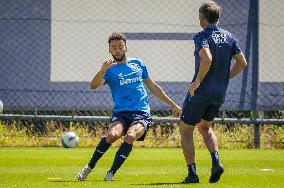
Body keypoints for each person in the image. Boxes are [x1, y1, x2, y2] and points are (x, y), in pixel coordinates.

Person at [77, 32, 182, 181]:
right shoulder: (109, 70)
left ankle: (111, 173)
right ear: (109, 50)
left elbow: (153, 86)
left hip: (141, 113)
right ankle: (89, 167)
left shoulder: (138, 64)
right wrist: (102, 70)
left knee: (131, 136)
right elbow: (93, 85)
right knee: (112, 135)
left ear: (126, 47)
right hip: (121, 113)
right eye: (114, 47)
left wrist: (174, 105)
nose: (117, 50)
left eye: (120, 46)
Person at [179, 1, 247, 184]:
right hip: (219, 92)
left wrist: (197, 81)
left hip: (202, 91)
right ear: (217, 18)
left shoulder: (201, 36)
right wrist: (225, 77)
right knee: (204, 127)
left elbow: (206, 58)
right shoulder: (229, 36)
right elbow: (242, 63)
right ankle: (216, 162)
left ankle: (192, 174)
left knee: (186, 129)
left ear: (202, 18)